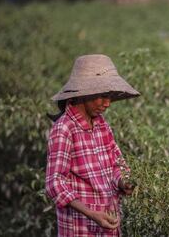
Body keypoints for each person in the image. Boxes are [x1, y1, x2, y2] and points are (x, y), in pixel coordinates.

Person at [45, 54, 140, 236]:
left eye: (110, 97)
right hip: (80, 228)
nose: (107, 103)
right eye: (103, 96)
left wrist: (123, 182)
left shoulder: (102, 125)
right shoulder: (64, 129)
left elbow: (116, 164)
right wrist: (91, 214)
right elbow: (54, 183)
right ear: (84, 93)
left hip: (108, 222)